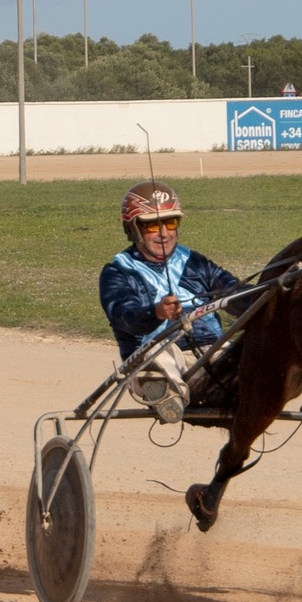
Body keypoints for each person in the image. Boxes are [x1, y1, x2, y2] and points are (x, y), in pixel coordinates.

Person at [97, 180, 238, 422]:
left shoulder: (195, 261)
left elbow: (234, 292)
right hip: (155, 351)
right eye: (152, 226)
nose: (164, 234)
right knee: (154, 360)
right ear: (133, 230)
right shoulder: (117, 272)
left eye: (170, 223)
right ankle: (167, 396)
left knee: (248, 352)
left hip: (210, 351)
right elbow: (124, 317)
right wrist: (157, 312)